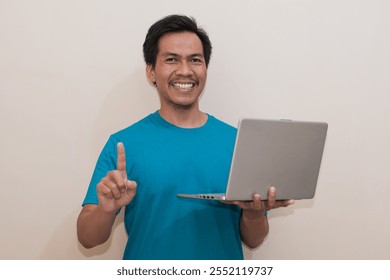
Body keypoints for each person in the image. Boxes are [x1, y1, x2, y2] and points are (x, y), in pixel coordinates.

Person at [77, 14, 294, 260]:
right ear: (151, 71)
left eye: (195, 60)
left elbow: (254, 240)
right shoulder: (123, 145)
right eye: (171, 60)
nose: (185, 70)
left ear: (205, 69)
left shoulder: (239, 143)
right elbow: (87, 238)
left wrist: (255, 214)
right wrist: (105, 211)